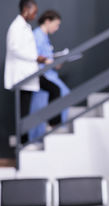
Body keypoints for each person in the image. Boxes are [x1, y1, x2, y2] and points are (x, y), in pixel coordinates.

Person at [4, 0, 61, 144]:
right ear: (26, 9)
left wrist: (38, 58)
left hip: (30, 73)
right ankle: (22, 142)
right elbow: (14, 48)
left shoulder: (25, 27)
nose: (35, 16)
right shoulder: (16, 27)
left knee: (53, 91)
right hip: (23, 75)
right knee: (24, 111)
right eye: (34, 12)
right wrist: (37, 58)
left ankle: (52, 124)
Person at [33, 10, 70, 125]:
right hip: (43, 76)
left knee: (63, 94)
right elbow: (34, 56)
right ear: (48, 21)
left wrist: (55, 62)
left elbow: (46, 56)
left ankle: (55, 125)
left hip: (50, 74)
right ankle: (54, 126)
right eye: (56, 25)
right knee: (61, 92)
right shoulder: (37, 35)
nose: (57, 28)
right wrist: (48, 61)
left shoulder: (44, 37)